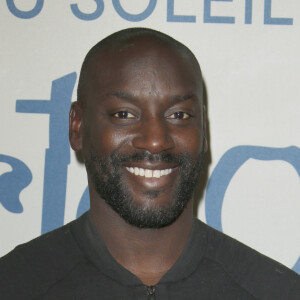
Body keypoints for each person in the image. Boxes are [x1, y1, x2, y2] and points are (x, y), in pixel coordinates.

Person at [0, 27, 299, 300]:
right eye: (124, 114)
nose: (156, 140)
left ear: (203, 132)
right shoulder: (16, 284)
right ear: (77, 127)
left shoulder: (275, 291)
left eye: (179, 115)